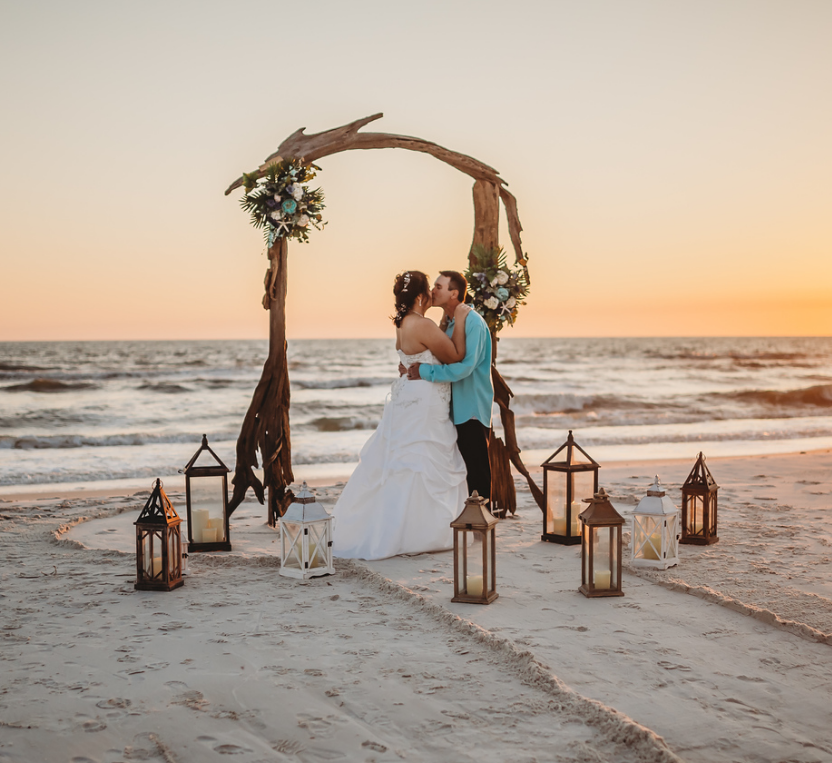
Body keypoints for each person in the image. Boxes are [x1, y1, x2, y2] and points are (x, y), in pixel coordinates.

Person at [331, 270, 471, 560]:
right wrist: (461, 319)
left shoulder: (402, 324)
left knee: (400, 461)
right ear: (420, 296)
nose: (433, 293)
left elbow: (410, 358)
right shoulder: (424, 325)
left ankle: (393, 528)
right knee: (421, 459)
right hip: (425, 401)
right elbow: (455, 356)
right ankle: (420, 533)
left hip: (407, 396)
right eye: (429, 290)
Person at [406, 271, 493, 503]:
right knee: (459, 469)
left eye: (438, 286)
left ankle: (482, 525)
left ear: (454, 293)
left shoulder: (473, 321)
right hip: (452, 408)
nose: (432, 290)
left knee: (477, 471)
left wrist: (422, 372)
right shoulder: (450, 323)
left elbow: (465, 367)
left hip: (471, 407)